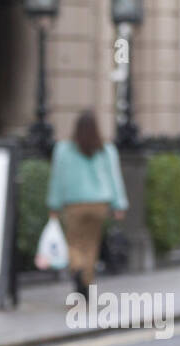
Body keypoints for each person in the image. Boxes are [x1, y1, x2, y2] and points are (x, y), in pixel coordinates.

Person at [45, 110, 128, 299]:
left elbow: (57, 179)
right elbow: (114, 177)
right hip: (99, 204)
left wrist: (53, 204)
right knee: (91, 245)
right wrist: (119, 204)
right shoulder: (106, 149)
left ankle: (77, 268)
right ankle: (86, 286)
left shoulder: (64, 149)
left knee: (73, 243)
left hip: (74, 204)